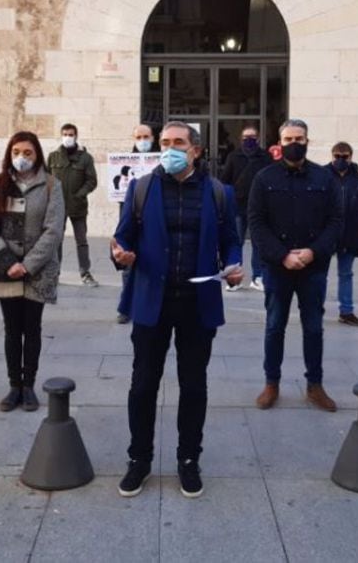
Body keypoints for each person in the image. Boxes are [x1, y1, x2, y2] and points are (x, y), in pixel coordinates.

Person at [111, 121, 242, 499]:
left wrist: (234, 266)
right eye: (165, 142)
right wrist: (120, 254)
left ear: (195, 151)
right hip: (152, 301)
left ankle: (189, 459)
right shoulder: (140, 189)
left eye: (178, 143)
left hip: (197, 305)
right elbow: (122, 238)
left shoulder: (219, 193)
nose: (170, 148)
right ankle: (139, 459)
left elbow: (232, 242)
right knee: (143, 384)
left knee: (194, 385)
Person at [248, 119, 343, 413]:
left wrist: (314, 253)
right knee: (275, 326)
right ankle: (271, 383)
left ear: (307, 141)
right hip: (278, 268)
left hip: (313, 268)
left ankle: (315, 385)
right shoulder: (264, 178)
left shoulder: (325, 179)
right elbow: (256, 222)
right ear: (279, 142)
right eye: (288, 138)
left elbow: (337, 222)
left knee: (313, 328)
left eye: (299, 138)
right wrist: (282, 255)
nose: (294, 143)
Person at [0, 131, 65, 412]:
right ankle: (13, 385)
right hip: (5, 268)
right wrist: (8, 262)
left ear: (37, 154)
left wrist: (27, 265)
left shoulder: (52, 185)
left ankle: (29, 385)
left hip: (37, 271)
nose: (22, 157)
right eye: (17, 151)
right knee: (12, 330)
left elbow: (54, 230)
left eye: (28, 152)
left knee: (32, 327)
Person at [219, 124, 271, 292]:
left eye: (252, 138)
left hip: (259, 207)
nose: (249, 141)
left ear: (257, 139)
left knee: (258, 243)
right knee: (236, 242)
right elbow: (225, 180)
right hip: (238, 206)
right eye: (245, 138)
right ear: (240, 140)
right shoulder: (234, 156)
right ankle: (235, 278)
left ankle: (258, 277)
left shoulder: (265, 157)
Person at [46, 122, 99, 287]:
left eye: (70, 134)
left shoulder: (85, 158)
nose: (67, 137)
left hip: (78, 206)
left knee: (81, 240)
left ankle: (85, 273)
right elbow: (46, 179)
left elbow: (92, 181)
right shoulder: (53, 157)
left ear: (76, 136)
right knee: (57, 240)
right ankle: (55, 273)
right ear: (61, 136)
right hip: (58, 206)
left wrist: (80, 194)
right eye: (65, 134)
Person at [328, 142, 358, 327]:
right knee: (319, 274)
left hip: (350, 235)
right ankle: (314, 309)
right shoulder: (322, 176)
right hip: (327, 235)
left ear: (351, 157)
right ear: (331, 156)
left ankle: (346, 311)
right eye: (337, 156)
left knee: (346, 273)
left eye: (344, 156)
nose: (340, 160)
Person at [116, 123, 157, 324]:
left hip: (154, 221)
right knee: (128, 266)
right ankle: (126, 307)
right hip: (131, 219)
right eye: (139, 137)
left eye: (146, 137)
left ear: (153, 138)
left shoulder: (160, 161)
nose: (143, 141)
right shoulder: (123, 162)